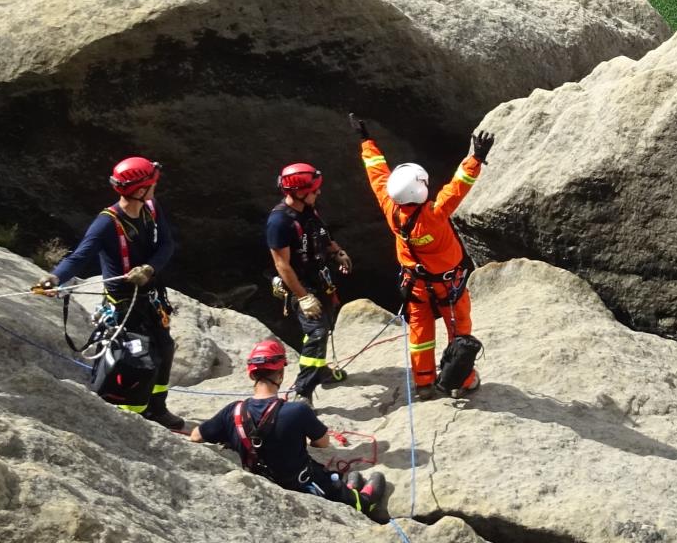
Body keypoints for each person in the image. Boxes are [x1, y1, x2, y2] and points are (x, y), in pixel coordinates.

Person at [33, 155, 183, 430]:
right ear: (139, 189)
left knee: (165, 348)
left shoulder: (151, 207)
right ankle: (130, 415)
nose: (155, 187)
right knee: (140, 361)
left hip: (149, 296)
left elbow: (167, 245)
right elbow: (79, 257)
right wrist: (55, 277)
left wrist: (149, 268)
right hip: (124, 303)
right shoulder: (107, 222)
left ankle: (157, 408)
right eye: (153, 183)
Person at [352, 114, 493, 397]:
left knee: (420, 333)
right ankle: (462, 382)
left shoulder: (391, 208)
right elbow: (458, 186)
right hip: (448, 284)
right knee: (459, 332)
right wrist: (476, 158)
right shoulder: (433, 215)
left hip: (415, 284)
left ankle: (424, 382)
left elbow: (377, 174)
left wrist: (366, 141)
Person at [191, 337, 388, 519]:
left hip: (264, 482)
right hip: (304, 483)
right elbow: (323, 443)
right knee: (370, 482)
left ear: (251, 375)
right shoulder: (297, 411)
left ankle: (346, 487)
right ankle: (361, 502)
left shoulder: (232, 412)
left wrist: (229, 436)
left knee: (344, 479)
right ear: (281, 373)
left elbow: (196, 436)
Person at [266, 161, 353, 401]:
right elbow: (282, 264)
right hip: (300, 285)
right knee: (316, 332)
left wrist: (337, 252)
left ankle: (320, 370)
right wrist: (303, 297)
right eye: (314, 189)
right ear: (300, 192)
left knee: (323, 327)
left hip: (319, 277)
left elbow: (322, 235)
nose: (319, 192)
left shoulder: (309, 212)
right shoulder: (279, 222)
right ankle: (302, 391)